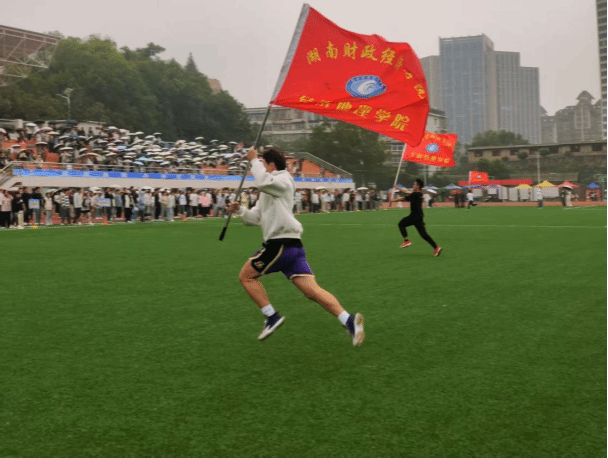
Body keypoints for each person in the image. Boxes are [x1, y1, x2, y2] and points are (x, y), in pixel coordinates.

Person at [228, 147, 364, 346]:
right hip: (291, 247)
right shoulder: (269, 187)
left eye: (264, 164)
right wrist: (240, 210)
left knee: (246, 276)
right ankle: (348, 321)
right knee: (312, 291)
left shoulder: (283, 179)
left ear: (271, 165)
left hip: (280, 244)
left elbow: (262, 181)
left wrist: (254, 160)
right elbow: (255, 218)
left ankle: (271, 316)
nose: (261, 168)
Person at [394, 179, 442, 257]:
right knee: (423, 234)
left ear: (418, 186)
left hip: (414, 216)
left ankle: (406, 241)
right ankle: (436, 247)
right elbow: (407, 193)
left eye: (414, 184)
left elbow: (404, 196)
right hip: (419, 217)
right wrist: (399, 190)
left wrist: (394, 198)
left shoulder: (415, 194)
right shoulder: (418, 194)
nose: (413, 185)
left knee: (401, 224)